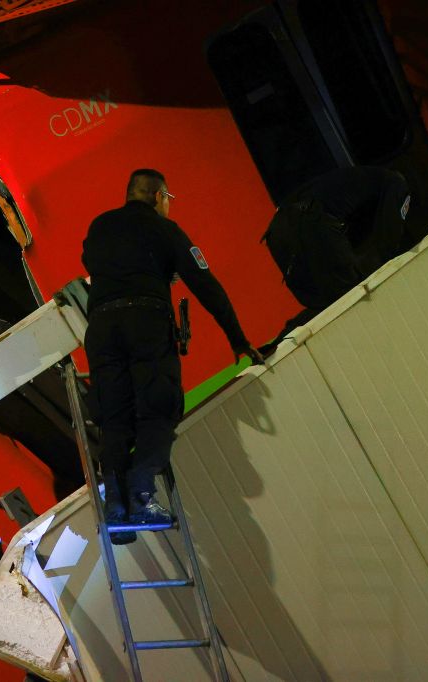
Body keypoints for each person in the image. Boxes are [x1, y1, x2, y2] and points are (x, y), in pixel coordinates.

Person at [82, 168, 262, 543]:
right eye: (168, 199)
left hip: (100, 327)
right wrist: (237, 337)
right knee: (158, 407)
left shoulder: (100, 227)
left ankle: (116, 506)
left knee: (113, 415)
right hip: (146, 324)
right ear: (158, 196)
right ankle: (142, 495)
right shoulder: (167, 230)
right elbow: (205, 284)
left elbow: (95, 263)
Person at [260, 166, 411, 353]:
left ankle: (280, 345)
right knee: (347, 298)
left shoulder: (355, 181)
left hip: (276, 233)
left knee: (322, 303)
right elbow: (387, 242)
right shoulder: (396, 183)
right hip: (311, 220)